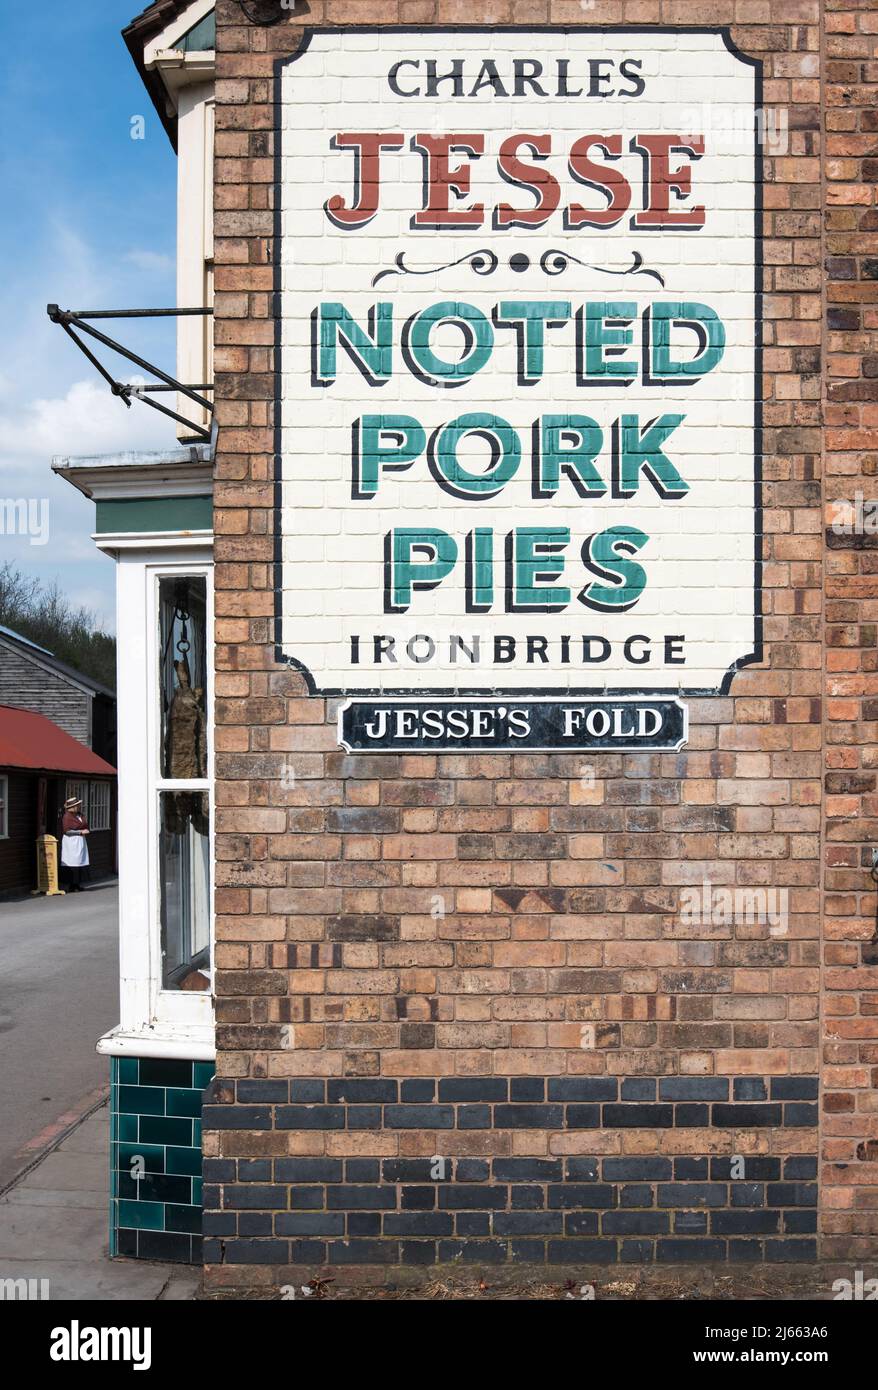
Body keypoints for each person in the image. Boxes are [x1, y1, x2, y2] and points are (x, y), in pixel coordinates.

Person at [59, 795, 90, 892]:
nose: (78, 807)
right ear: (71, 807)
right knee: (72, 862)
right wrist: (80, 832)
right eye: (76, 805)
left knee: (80, 861)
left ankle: (77, 884)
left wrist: (85, 830)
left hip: (80, 841)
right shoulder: (67, 817)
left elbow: (84, 824)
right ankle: (72, 885)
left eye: (78, 805)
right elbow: (66, 831)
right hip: (71, 842)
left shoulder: (80, 815)